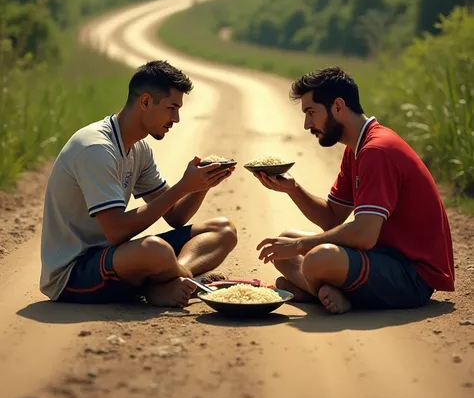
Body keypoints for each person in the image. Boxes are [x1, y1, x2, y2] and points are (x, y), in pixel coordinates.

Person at [255, 66, 455, 314]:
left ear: (338, 107)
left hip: (412, 277)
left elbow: (364, 235)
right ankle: (318, 289)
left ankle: (326, 293)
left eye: (311, 112)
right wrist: (292, 189)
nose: (307, 124)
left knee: (316, 257)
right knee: (284, 244)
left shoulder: (377, 151)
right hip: (382, 258)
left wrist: (300, 247)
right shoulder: (356, 149)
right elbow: (332, 217)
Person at [40, 60, 237, 308]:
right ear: (145, 102)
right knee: (155, 250)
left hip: (116, 257)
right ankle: (179, 283)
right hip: (74, 273)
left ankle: (171, 281)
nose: (176, 118)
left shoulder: (139, 147)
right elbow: (116, 232)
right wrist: (183, 187)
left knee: (223, 230)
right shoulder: (96, 148)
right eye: (171, 108)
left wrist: (203, 183)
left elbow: (176, 217)